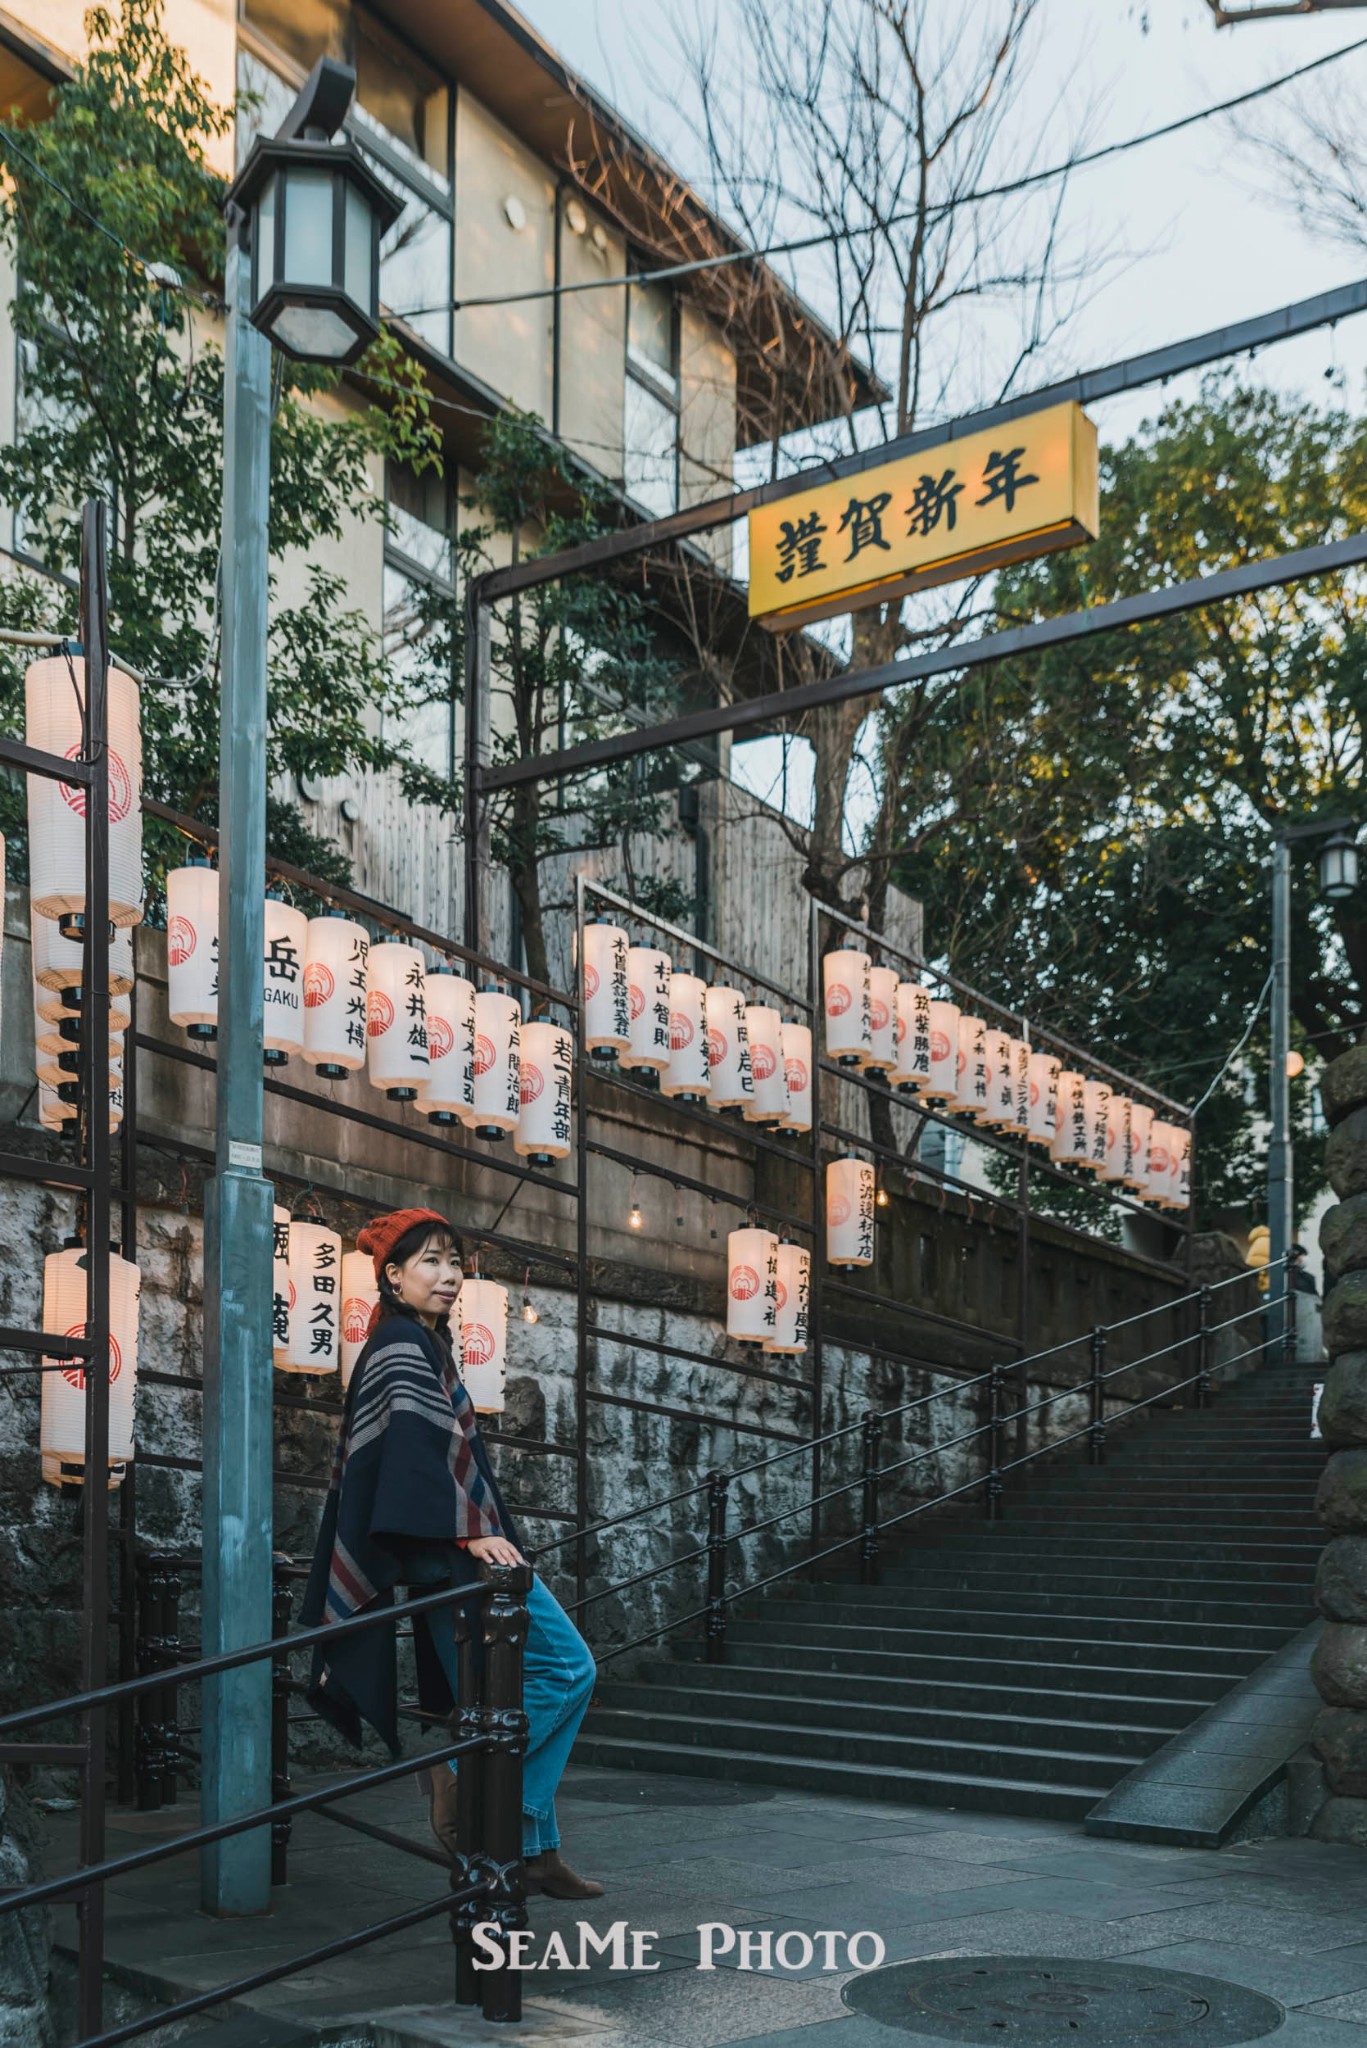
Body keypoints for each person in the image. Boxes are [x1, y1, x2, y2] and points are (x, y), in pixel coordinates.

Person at [301, 1206, 603, 1900]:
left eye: (453, 1261)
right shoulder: (401, 1343)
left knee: (503, 1689)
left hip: (446, 1555)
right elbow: (409, 1452)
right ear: (393, 1274)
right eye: (429, 1262)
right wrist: (468, 1529)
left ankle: (532, 1847)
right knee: (565, 1671)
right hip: (448, 1557)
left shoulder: (417, 1341)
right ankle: (459, 1782)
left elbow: (423, 1450)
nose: (447, 1276)